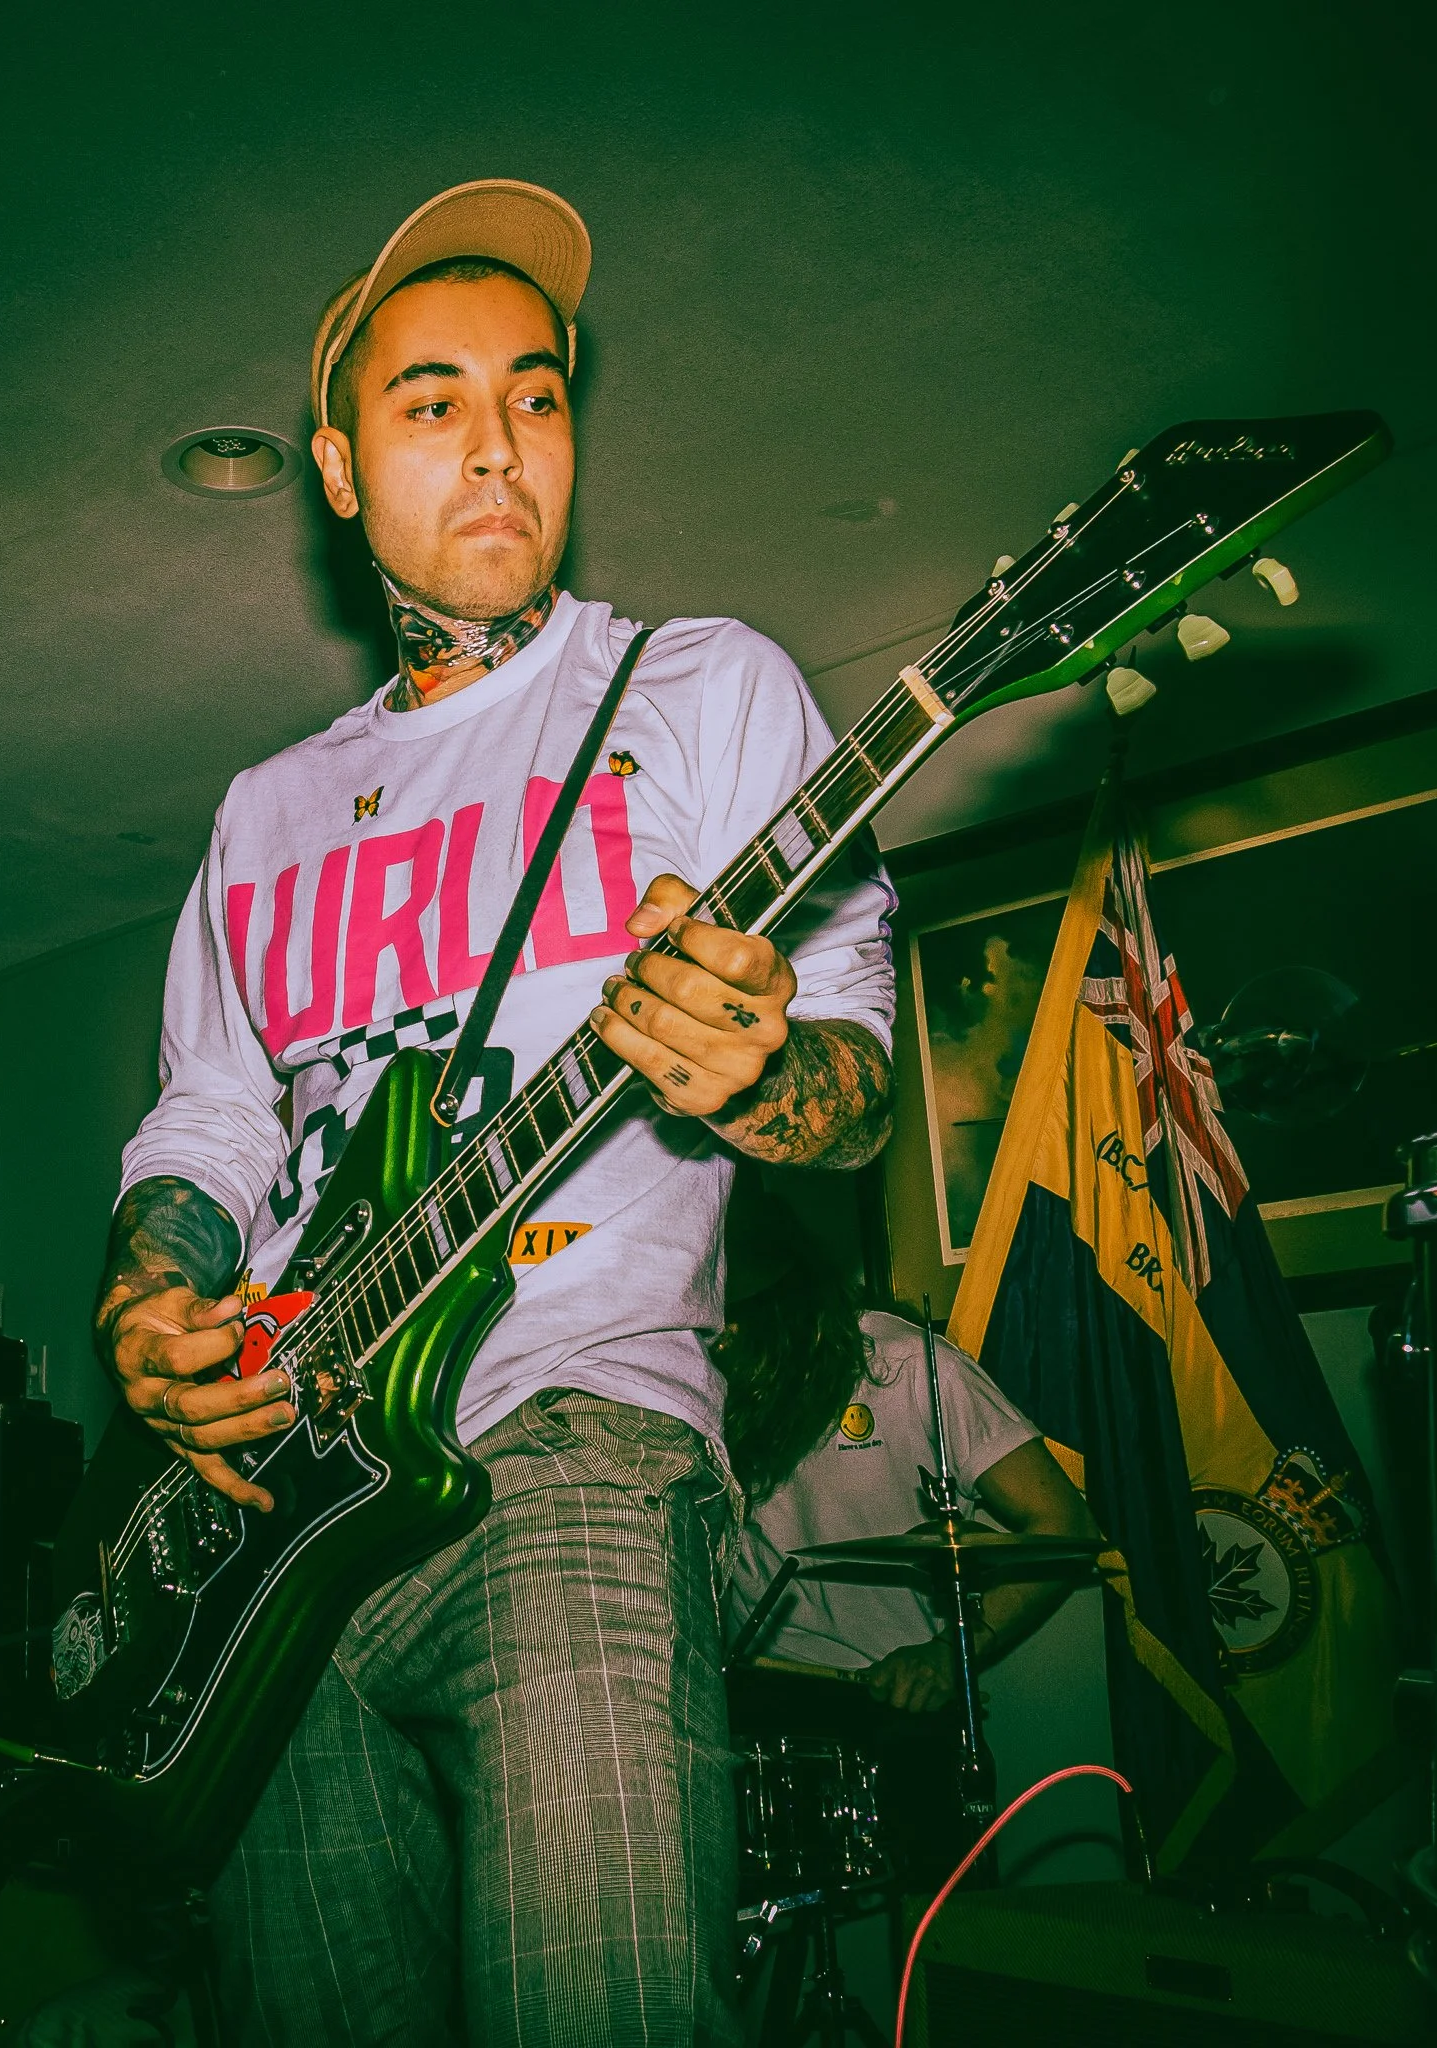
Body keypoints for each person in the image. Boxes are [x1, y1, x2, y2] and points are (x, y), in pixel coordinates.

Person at [91, 180, 897, 2047]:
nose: (496, 445)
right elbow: (205, 1124)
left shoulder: (699, 691)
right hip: (276, 1504)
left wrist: (762, 1071)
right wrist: (153, 1295)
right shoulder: (262, 810)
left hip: (567, 1444)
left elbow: (850, 1076)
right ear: (339, 467)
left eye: (533, 397)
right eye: (430, 400)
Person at [721, 1184, 1096, 1854]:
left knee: (949, 1936)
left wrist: (948, 1657)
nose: (722, 1339)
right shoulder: (687, 1381)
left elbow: (1061, 1527)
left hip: (898, 1705)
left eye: (738, 1317)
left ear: (789, 1301)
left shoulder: (905, 1367)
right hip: (752, 1706)